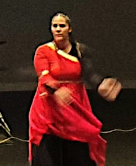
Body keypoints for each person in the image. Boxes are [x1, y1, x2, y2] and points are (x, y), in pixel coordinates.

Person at [28, 12, 121, 166]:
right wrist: (57, 89)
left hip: (75, 104)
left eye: (62, 26)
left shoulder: (79, 50)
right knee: (49, 153)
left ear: (69, 29)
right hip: (50, 108)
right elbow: (44, 77)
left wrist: (102, 85)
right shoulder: (43, 51)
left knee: (78, 150)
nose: (58, 29)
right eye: (54, 26)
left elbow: (89, 74)